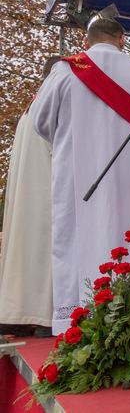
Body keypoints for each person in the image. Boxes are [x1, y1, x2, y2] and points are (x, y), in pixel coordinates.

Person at [31, 18, 130, 334]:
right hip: (127, 175)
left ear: (86, 41)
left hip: (76, 174)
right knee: (125, 238)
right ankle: (125, 322)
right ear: (122, 39)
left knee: (74, 240)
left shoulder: (65, 70)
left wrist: (69, 139)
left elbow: (40, 121)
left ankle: (78, 324)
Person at [0, 57, 60, 337]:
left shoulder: (32, 105)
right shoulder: (51, 106)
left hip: (28, 194)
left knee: (25, 252)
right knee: (44, 251)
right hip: (45, 192)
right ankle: (45, 316)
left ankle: (18, 314)